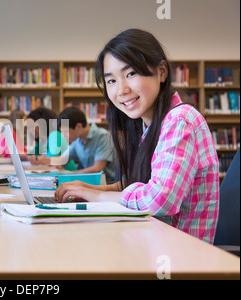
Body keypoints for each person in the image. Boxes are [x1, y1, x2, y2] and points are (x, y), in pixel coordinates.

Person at [55, 29, 219, 243]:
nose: (121, 90)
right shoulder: (150, 125)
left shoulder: (180, 119)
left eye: (130, 74)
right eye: (111, 81)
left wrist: (98, 196)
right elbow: (141, 182)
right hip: (154, 244)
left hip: (180, 258)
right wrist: (89, 189)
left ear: (161, 72)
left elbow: (161, 199)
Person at [56, 106, 116, 182]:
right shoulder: (78, 140)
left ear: (79, 126)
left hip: (106, 183)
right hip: (88, 181)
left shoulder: (103, 136)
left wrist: (70, 174)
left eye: (65, 132)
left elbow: (97, 169)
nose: (63, 136)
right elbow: (62, 160)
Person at [25, 107, 77, 171]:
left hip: (69, 175)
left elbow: (50, 159)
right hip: (58, 173)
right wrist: (29, 157)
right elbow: (31, 154)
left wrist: (36, 158)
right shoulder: (42, 141)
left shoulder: (55, 135)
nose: (29, 129)